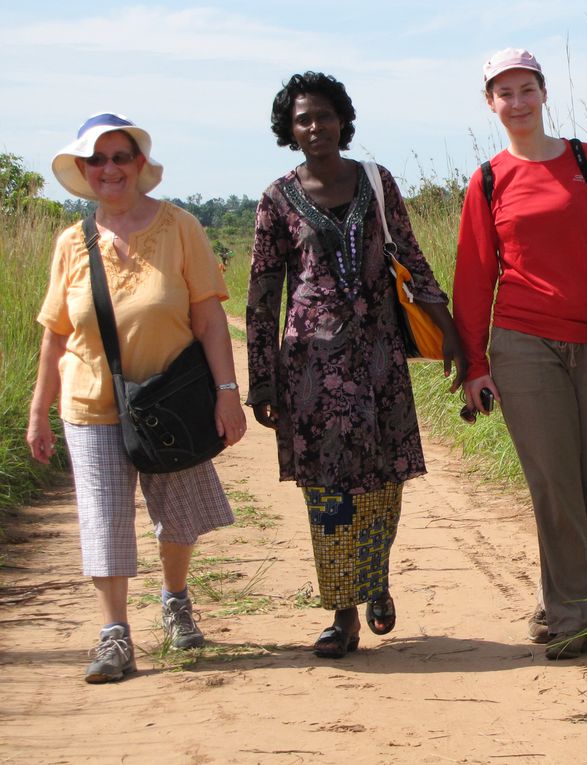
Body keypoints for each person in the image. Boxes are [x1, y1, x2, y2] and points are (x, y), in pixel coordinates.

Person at [246, 72, 466, 659]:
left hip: (379, 361)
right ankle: (342, 615)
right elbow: (263, 295)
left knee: (384, 480)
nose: (315, 126)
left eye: (323, 114)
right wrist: (261, 380)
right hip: (310, 373)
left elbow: (413, 262)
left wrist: (454, 338)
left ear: (343, 119)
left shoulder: (377, 181)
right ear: (288, 131)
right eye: (302, 119)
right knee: (328, 493)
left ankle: (376, 575)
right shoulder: (276, 199)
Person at [26, 113, 247, 683]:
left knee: (178, 518)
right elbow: (55, 333)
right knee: (104, 520)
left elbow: (209, 319)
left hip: (170, 401)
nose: (109, 169)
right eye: (97, 160)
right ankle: (115, 633)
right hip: (89, 402)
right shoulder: (71, 243)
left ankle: (175, 599)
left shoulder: (179, 227)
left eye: (120, 157)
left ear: (139, 165)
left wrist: (227, 393)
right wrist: (38, 412)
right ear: (83, 170)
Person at [453, 49, 587, 660]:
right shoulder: (487, 180)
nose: (517, 101)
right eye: (504, 92)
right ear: (490, 104)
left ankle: (556, 598)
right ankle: (575, 618)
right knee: (553, 482)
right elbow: (476, 276)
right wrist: (474, 363)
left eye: (526, 88)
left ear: (543, 92)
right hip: (523, 342)